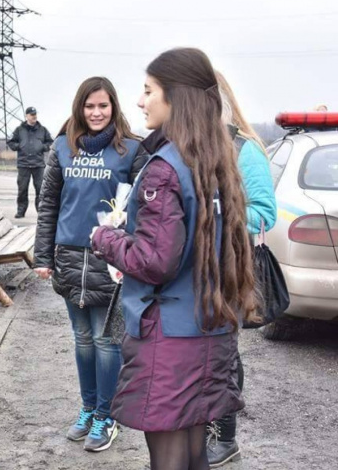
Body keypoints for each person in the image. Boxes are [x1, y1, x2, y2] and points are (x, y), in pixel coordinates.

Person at [91, 47, 259, 470]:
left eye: (148, 91)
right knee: (194, 452)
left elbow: (156, 261)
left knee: (169, 459)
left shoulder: (165, 167)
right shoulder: (217, 161)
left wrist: (105, 238)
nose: (140, 101)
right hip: (211, 326)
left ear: (174, 98)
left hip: (170, 339)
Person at [33, 77, 146, 452]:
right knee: (82, 340)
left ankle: (106, 415)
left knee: (105, 340)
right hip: (67, 259)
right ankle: (87, 408)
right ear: (79, 108)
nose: (96, 113)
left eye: (103, 105)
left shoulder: (131, 150)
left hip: (109, 262)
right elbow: (49, 203)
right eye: (89, 106)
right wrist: (43, 256)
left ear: (114, 107)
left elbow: (144, 210)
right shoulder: (64, 148)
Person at [205, 71, 277, 468]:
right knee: (200, 354)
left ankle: (225, 435)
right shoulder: (185, 147)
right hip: (192, 272)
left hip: (228, 270)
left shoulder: (244, 148)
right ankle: (202, 423)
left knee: (223, 355)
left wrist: (214, 220)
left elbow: (264, 214)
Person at [7, 106, 53, 218]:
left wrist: (43, 147)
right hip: (23, 164)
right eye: (32, 115)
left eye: (35, 114)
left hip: (38, 165)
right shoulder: (19, 130)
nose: (34, 116)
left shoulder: (43, 130)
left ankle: (41, 212)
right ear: (26, 116)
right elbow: (11, 142)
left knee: (40, 190)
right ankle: (21, 211)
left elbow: (51, 142)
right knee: (22, 189)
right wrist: (19, 146)